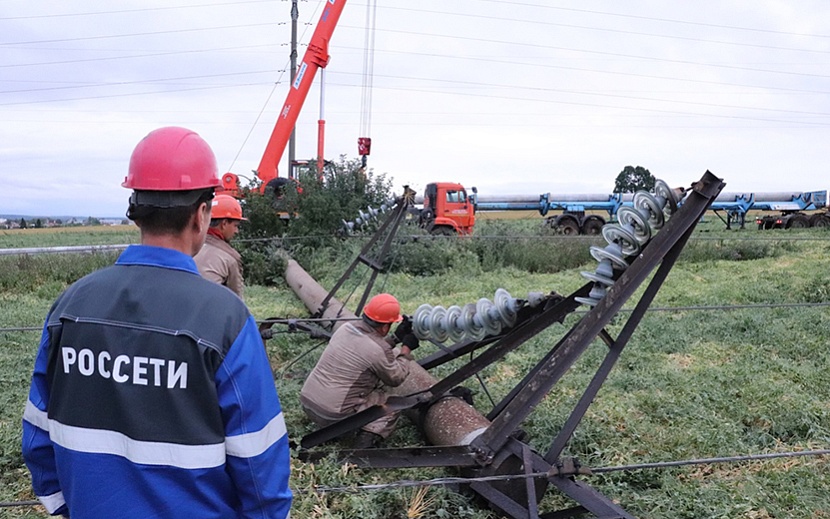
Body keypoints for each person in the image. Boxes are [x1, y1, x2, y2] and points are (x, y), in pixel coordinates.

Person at [21, 126, 292, 519]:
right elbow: (257, 458)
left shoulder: (70, 304)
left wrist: (66, 506)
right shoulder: (225, 318)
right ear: (201, 214)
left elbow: (37, 434)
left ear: (135, 210)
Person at [299, 293, 420, 449]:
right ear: (384, 326)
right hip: (332, 415)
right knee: (391, 404)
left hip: (308, 403)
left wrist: (395, 338)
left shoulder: (345, 328)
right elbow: (395, 378)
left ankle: (327, 426)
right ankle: (363, 446)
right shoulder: (376, 350)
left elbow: (368, 350)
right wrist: (406, 349)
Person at [194, 193, 246, 298]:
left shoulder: (189, 245)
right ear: (224, 223)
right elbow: (237, 302)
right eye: (235, 226)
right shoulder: (230, 258)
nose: (236, 231)